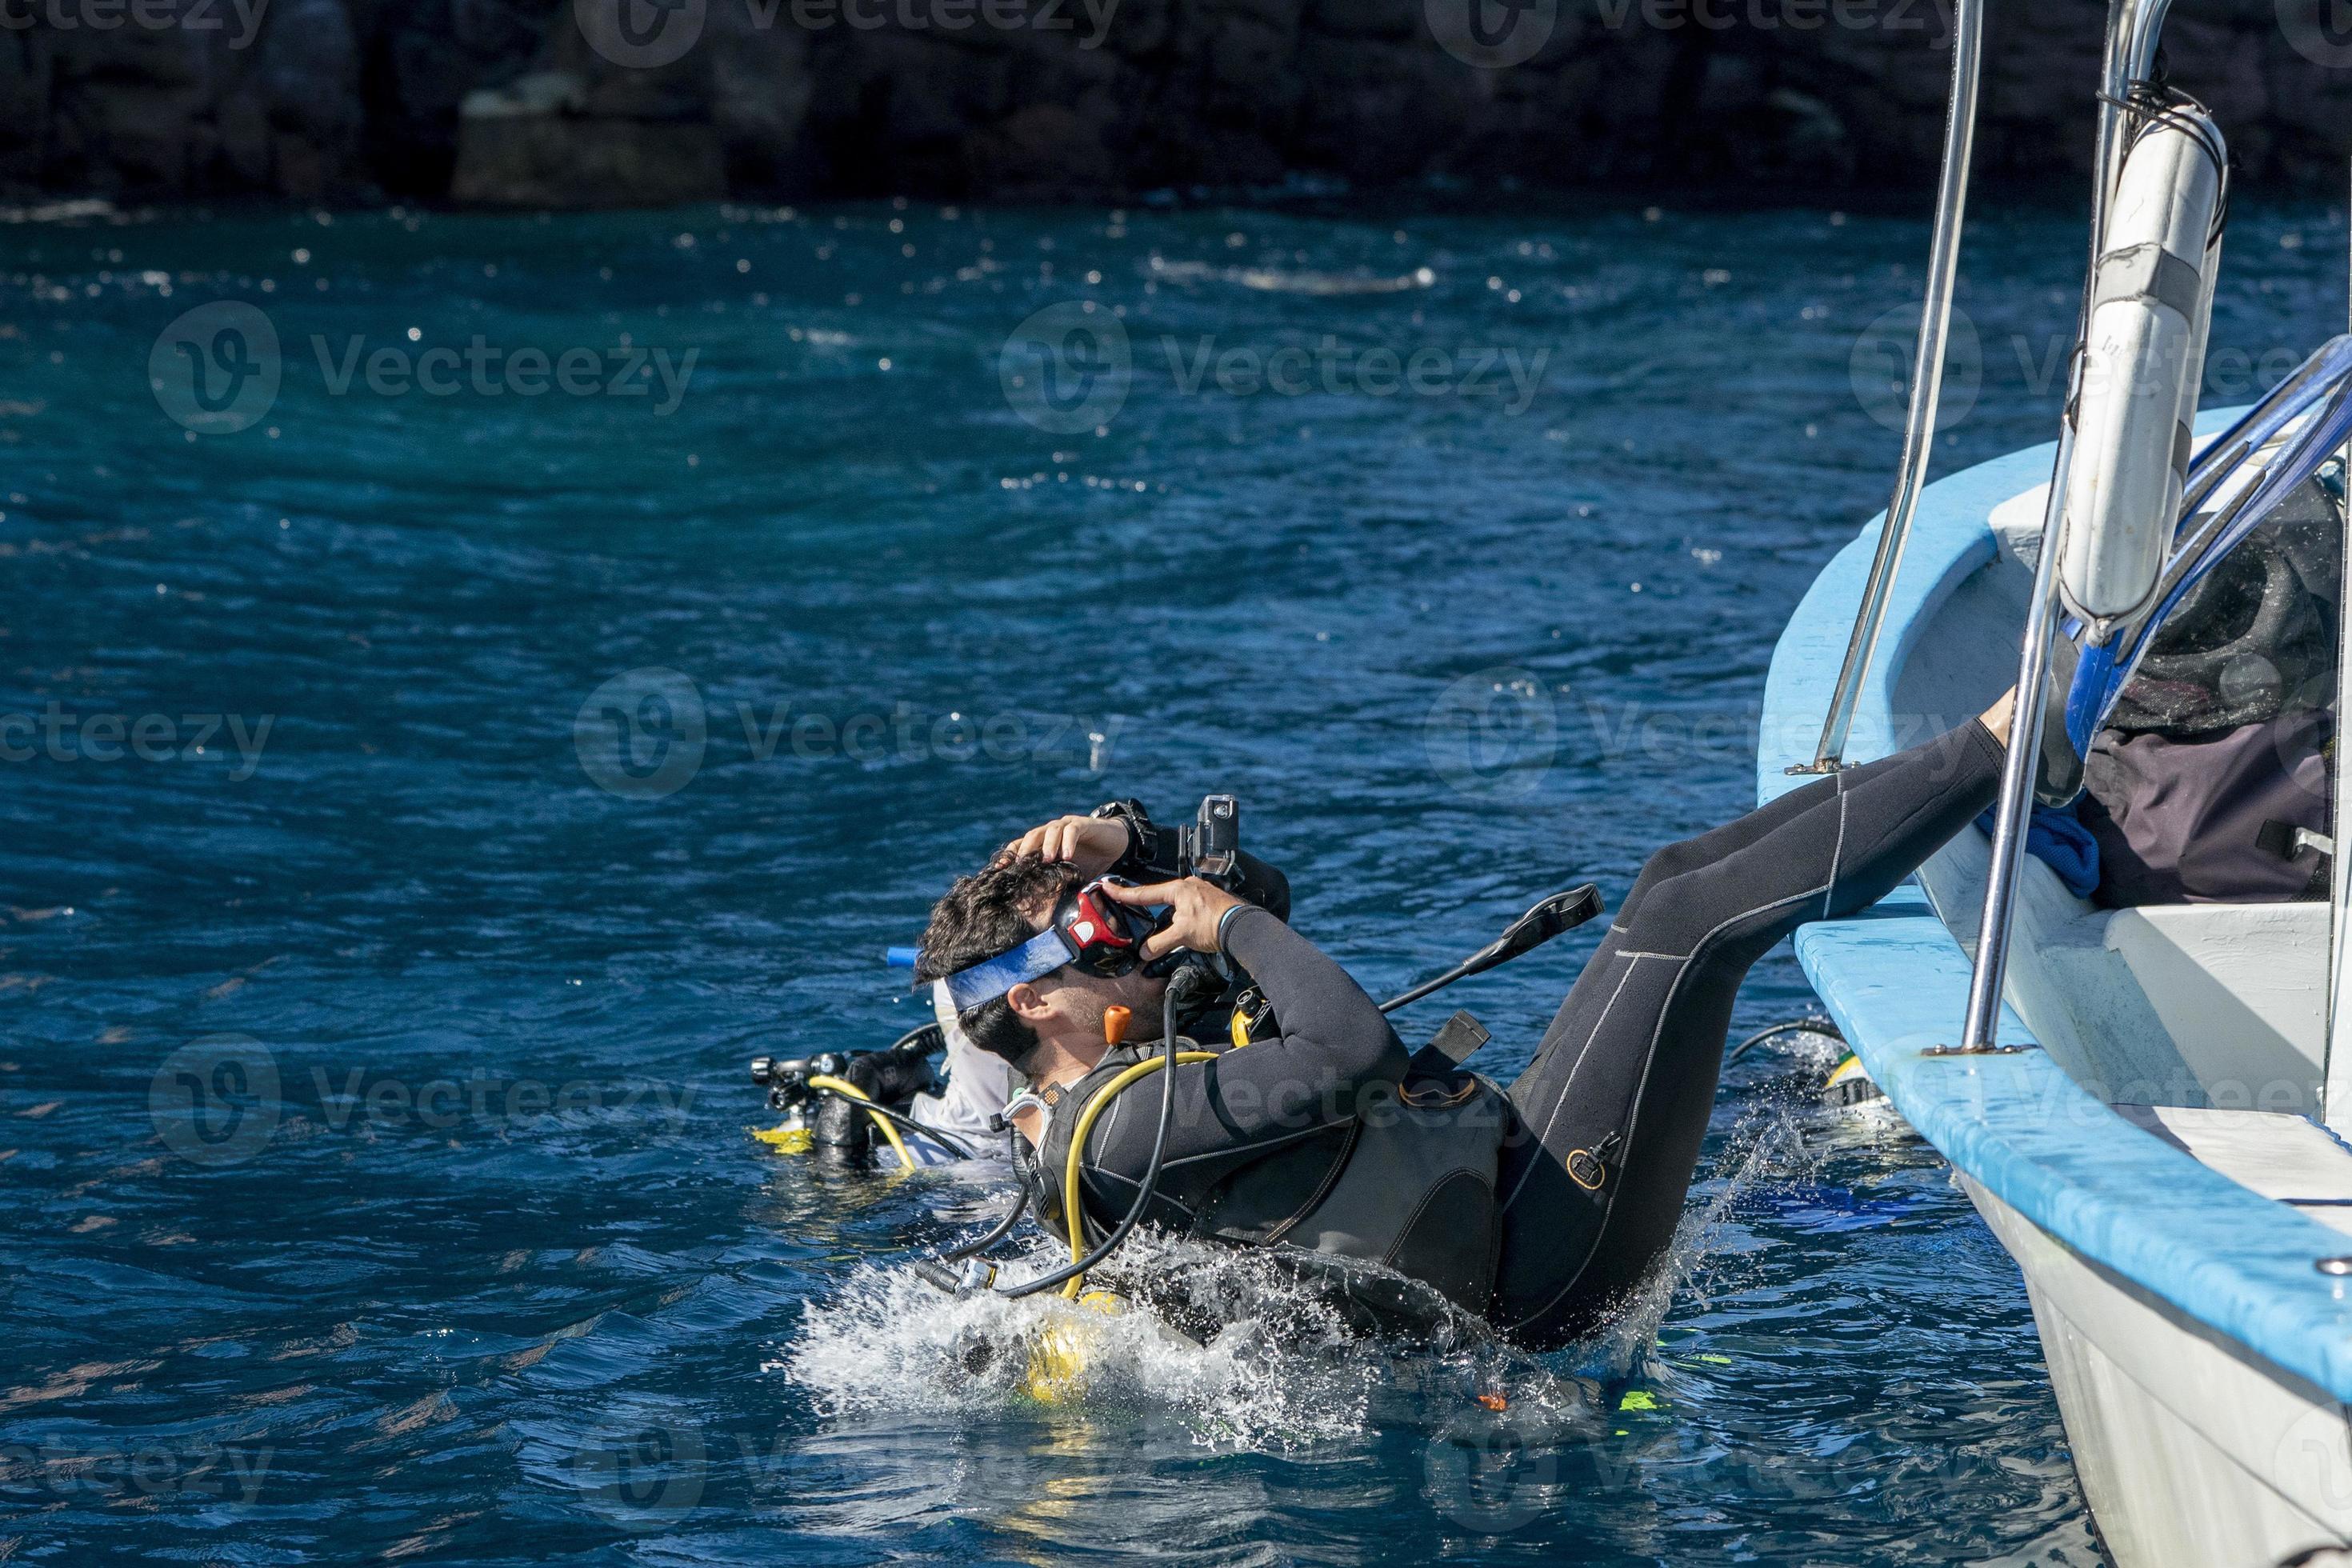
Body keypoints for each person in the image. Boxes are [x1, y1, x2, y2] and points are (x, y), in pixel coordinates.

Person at [912, 694, 2018, 1347]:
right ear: (1032, 1000)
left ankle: (1992, 757)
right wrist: (1230, 926)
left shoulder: (1138, 1068)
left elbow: (1264, 912)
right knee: (1691, 925)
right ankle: (2009, 743)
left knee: (1669, 879)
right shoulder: (1121, 1132)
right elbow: (1353, 1051)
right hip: (1542, 1267)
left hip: (1507, 1186)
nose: (1123, 934)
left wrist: (1140, 852)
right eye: (1093, 930)